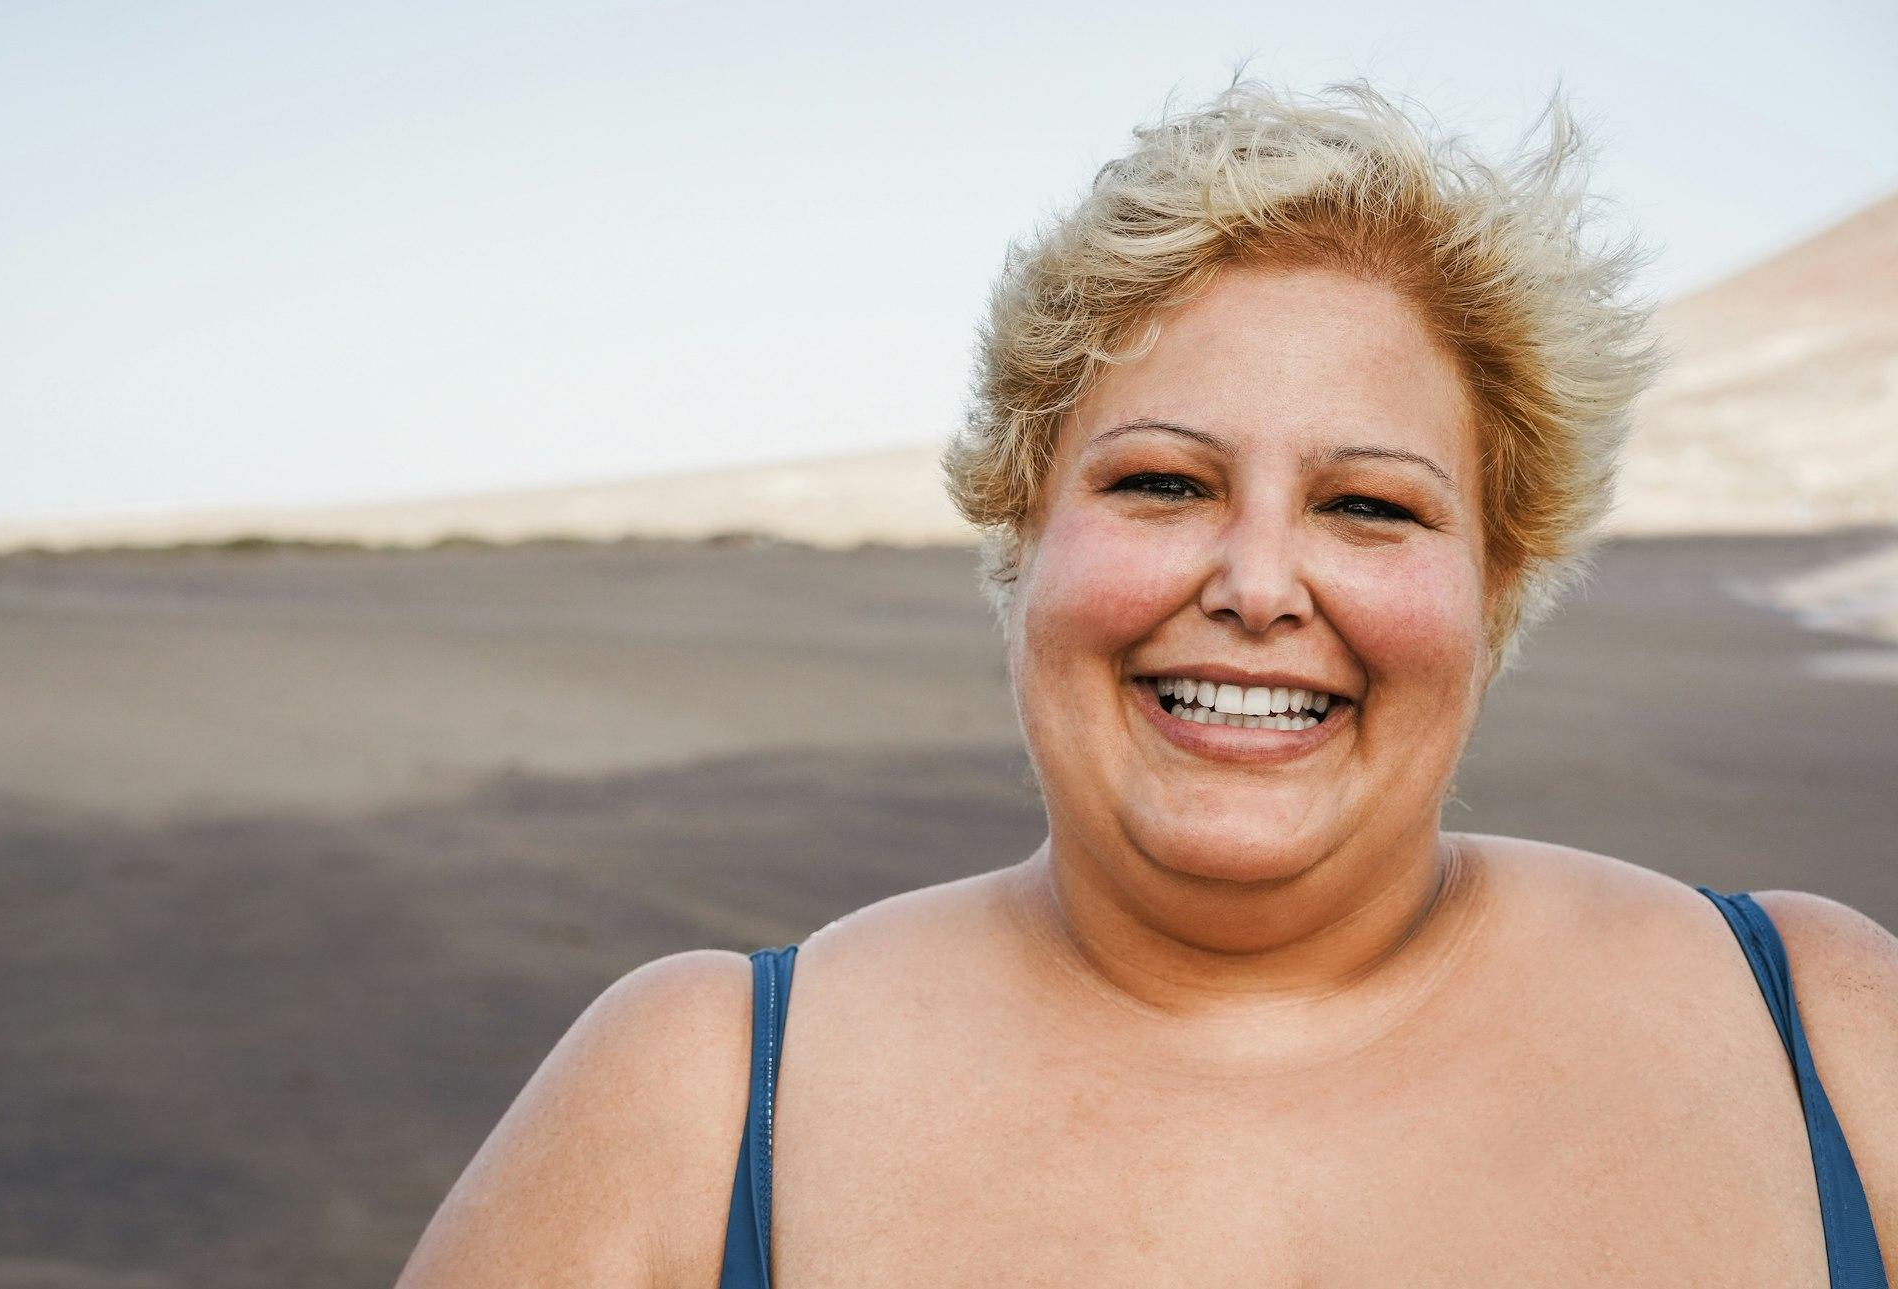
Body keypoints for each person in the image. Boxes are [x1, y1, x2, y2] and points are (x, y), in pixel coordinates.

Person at [398, 74, 1897, 1286]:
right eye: (1165, 483)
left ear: (1496, 583)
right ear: (1022, 527)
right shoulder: (699, 1096)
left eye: (1368, 504)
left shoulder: (1825, 1030)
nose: (1257, 582)